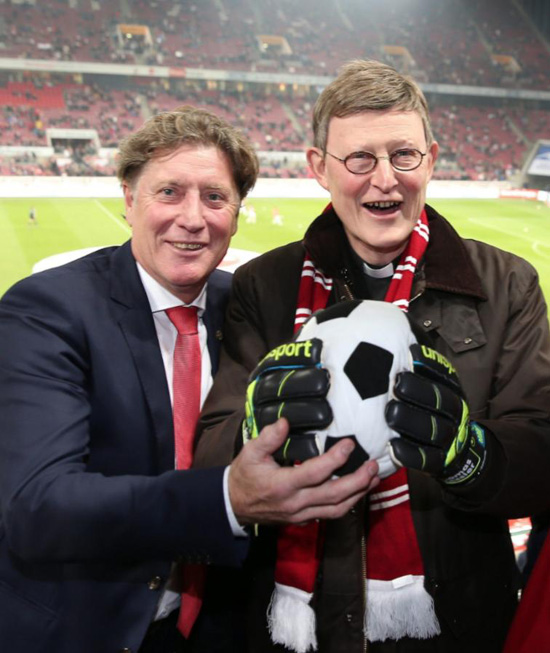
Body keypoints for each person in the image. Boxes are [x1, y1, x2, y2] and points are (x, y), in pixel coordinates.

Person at [194, 61, 550, 653]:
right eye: (359, 158)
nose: (384, 180)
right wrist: (255, 432)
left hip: (455, 621)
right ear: (319, 169)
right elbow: (213, 451)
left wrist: (470, 455)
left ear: (430, 160)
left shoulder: (506, 283)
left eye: (403, 155)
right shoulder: (265, 283)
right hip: (293, 630)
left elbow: (541, 449)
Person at [0, 105, 379, 653]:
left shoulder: (246, 307)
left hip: (217, 629)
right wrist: (226, 500)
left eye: (215, 197)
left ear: (238, 210)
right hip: (84, 630)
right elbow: (38, 507)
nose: (194, 218)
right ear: (129, 198)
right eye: (170, 192)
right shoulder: (45, 311)